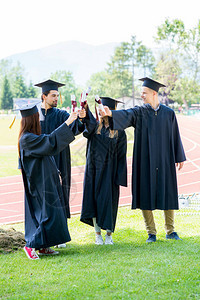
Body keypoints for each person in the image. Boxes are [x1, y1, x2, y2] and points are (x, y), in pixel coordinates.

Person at [100, 78, 186, 243]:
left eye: (144, 93)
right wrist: (110, 114)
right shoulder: (140, 112)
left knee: (167, 191)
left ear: (154, 93)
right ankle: (151, 233)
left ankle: (170, 231)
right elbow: (126, 114)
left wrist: (179, 155)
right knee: (146, 191)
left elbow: (175, 134)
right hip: (145, 159)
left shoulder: (169, 113)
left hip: (164, 159)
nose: (142, 95)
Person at [18, 102, 79, 259]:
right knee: (48, 216)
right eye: (37, 118)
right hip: (39, 184)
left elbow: (47, 152)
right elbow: (50, 142)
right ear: (31, 120)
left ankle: (44, 246)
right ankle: (30, 245)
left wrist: (56, 171)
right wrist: (68, 122)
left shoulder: (33, 137)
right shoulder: (26, 139)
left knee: (55, 213)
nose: (39, 120)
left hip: (47, 181)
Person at [34, 79, 86, 248]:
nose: (56, 98)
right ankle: (43, 235)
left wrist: (81, 118)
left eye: (57, 95)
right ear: (44, 96)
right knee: (43, 197)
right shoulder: (35, 116)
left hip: (60, 159)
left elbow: (77, 127)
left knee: (61, 196)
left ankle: (61, 236)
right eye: (53, 95)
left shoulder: (61, 114)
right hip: (41, 161)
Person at [80, 97, 127, 245]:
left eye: (104, 109)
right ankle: (98, 234)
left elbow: (122, 156)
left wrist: (119, 177)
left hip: (110, 173)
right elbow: (86, 122)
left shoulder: (119, 132)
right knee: (94, 202)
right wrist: (84, 105)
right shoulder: (95, 127)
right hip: (93, 171)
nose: (101, 112)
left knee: (109, 202)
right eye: (100, 109)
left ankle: (109, 235)